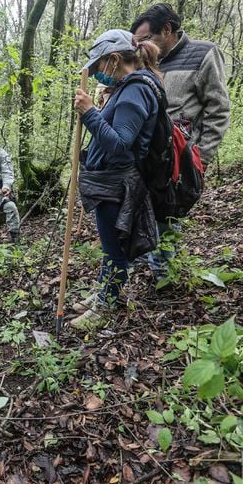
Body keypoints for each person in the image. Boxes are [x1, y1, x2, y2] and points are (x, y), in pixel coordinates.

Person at [130, 3, 230, 280]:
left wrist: (200, 158)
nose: (142, 46)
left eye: (147, 38)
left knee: (167, 219)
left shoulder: (203, 53)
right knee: (140, 212)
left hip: (180, 159)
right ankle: (146, 267)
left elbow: (218, 109)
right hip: (147, 157)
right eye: (137, 42)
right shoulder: (146, 61)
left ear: (167, 29)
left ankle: (164, 279)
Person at [69, 29, 162, 326]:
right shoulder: (126, 88)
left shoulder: (136, 90)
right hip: (107, 180)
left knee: (115, 249)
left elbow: (121, 146)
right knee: (109, 245)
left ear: (113, 60)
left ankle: (106, 306)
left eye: (99, 68)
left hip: (116, 183)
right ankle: (102, 292)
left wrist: (89, 113)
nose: (97, 74)